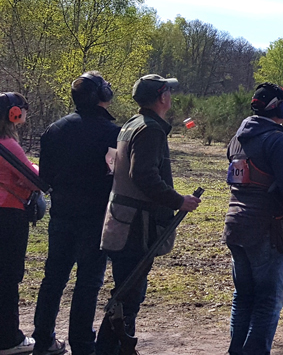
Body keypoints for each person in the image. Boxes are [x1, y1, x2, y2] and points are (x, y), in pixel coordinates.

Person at [95, 74, 201, 355]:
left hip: (124, 222)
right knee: (127, 296)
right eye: (169, 92)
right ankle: (110, 349)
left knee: (125, 293)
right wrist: (178, 201)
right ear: (162, 97)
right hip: (135, 228)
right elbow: (143, 175)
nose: (171, 97)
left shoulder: (133, 124)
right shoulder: (150, 129)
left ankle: (111, 348)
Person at [31, 72, 121, 355]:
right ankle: (82, 343)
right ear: (100, 96)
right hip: (94, 217)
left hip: (62, 214)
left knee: (53, 278)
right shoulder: (112, 133)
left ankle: (43, 340)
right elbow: (116, 176)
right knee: (88, 282)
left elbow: (44, 176)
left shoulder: (55, 129)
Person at [224, 83, 283, 355]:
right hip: (266, 228)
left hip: (235, 223)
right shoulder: (278, 140)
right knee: (267, 301)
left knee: (244, 297)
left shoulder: (237, 139)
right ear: (280, 108)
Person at [0, 92, 40, 355]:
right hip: (9, 216)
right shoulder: (8, 145)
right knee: (8, 277)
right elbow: (37, 180)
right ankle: (9, 338)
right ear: (13, 114)